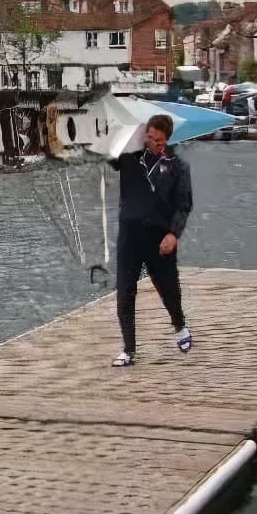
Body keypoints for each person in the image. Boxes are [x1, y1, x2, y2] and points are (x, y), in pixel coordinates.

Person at [108, 113, 193, 366]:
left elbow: (184, 205)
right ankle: (129, 349)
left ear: (167, 140)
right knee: (125, 290)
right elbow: (109, 156)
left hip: (159, 238)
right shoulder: (128, 157)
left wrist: (173, 234)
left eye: (158, 140)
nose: (152, 142)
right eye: (150, 137)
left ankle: (180, 326)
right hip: (130, 237)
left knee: (168, 289)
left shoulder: (178, 167)